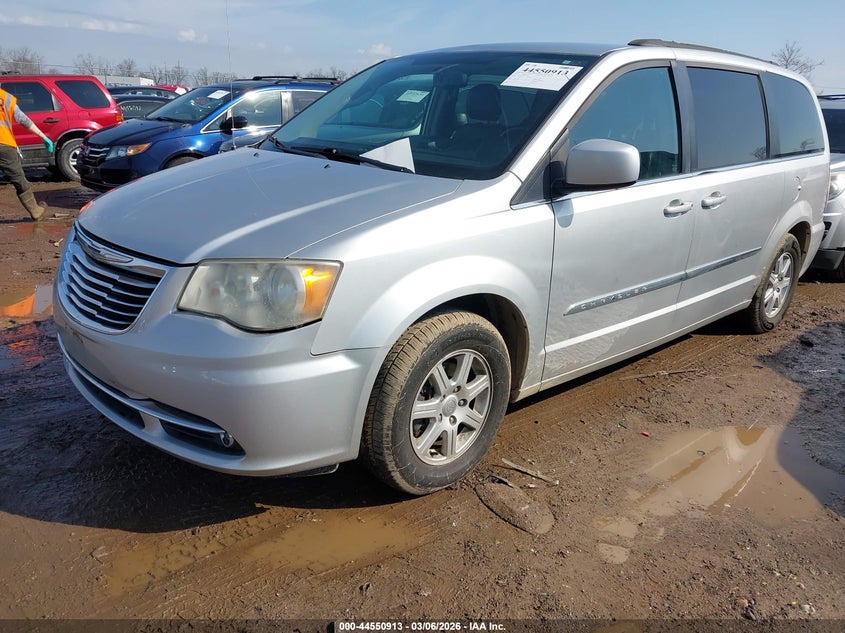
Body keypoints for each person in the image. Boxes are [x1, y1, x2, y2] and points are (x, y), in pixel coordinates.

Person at [0, 87, 55, 221]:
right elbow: (23, 120)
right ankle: (35, 210)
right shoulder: (6, 98)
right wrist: (43, 136)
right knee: (18, 178)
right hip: (4, 144)